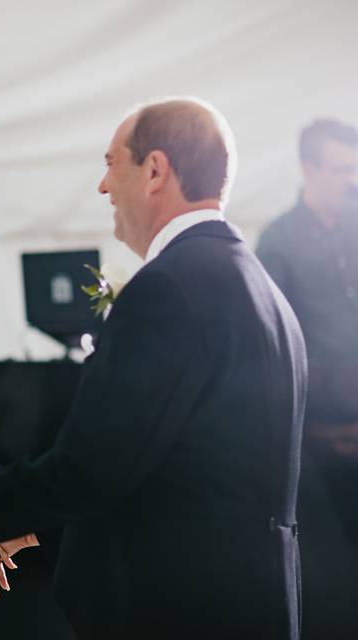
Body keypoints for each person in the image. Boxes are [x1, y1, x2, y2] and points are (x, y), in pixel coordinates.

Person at [0, 98, 308, 640]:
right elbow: (172, 479)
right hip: (244, 601)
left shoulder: (169, 290)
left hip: (180, 610)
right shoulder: (256, 286)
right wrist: (25, 532)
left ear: (155, 170)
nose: (103, 187)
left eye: (112, 164)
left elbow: (90, 469)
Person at [256, 118, 358, 639]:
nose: (350, 180)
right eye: (340, 169)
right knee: (328, 586)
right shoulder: (277, 243)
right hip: (314, 452)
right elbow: (270, 352)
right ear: (308, 168)